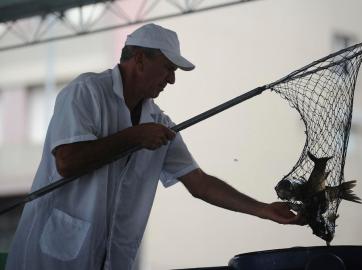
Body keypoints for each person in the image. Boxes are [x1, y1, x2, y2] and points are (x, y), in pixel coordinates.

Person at [6, 23, 303, 270]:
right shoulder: (86, 92)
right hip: (47, 260)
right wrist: (135, 137)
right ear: (139, 60)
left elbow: (199, 184)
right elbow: (67, 162)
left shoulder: (158, 122)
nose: (172, 80)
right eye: (167, 68)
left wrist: (263, 210)